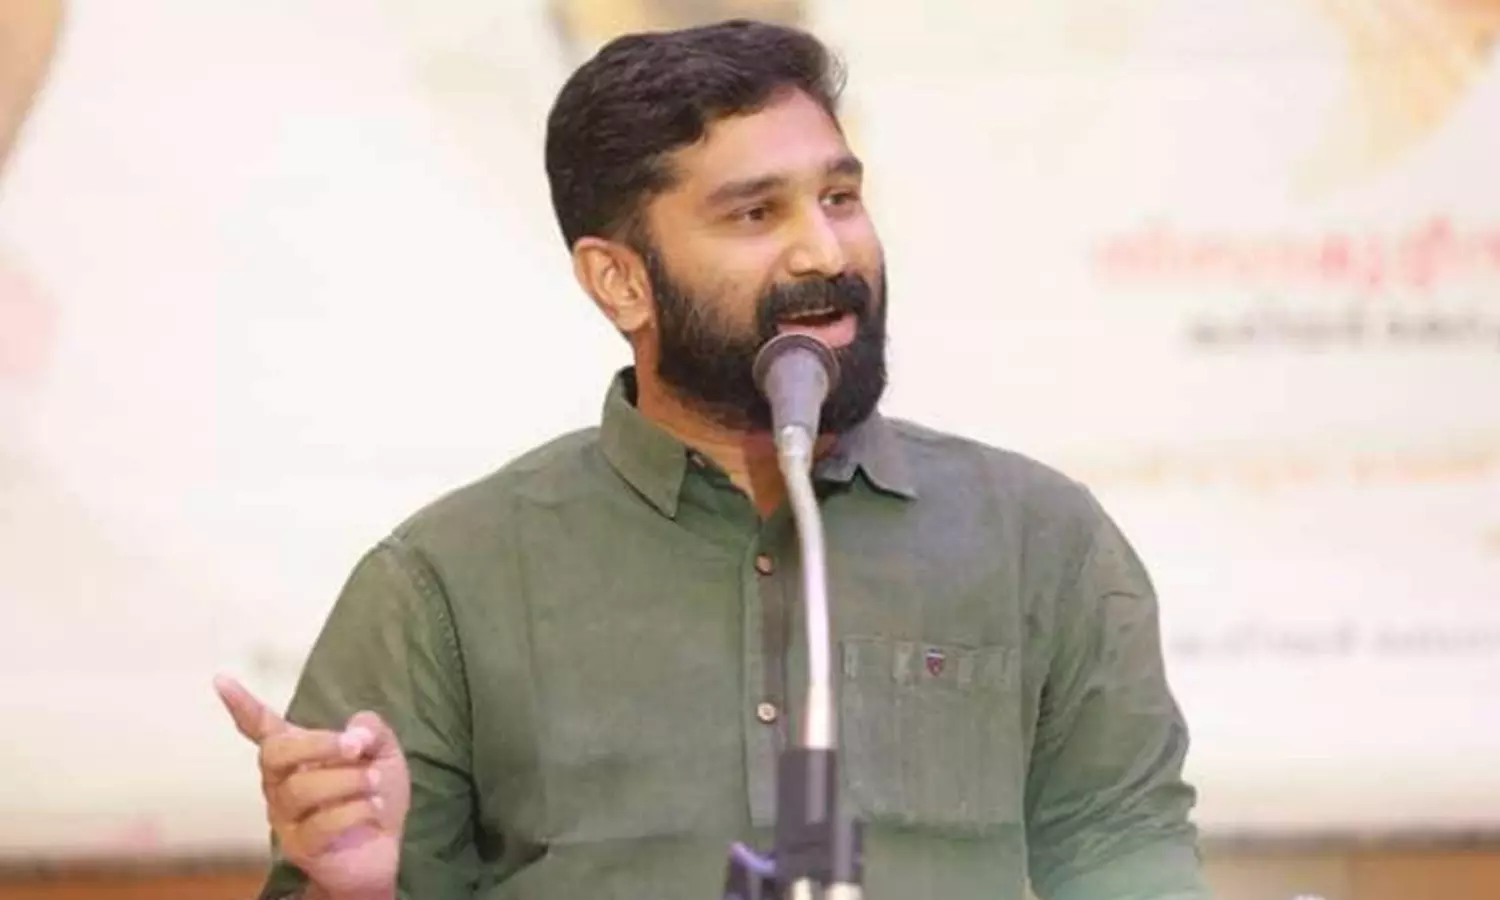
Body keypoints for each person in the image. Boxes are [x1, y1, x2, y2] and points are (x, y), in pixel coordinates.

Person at [216, 18, 1211, 900]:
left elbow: (1130, 861)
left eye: (840, 197)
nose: (826, 252)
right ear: (621, 283)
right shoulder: (443, 586)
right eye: (755, 214)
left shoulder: (1039, 541)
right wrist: (355, 892)